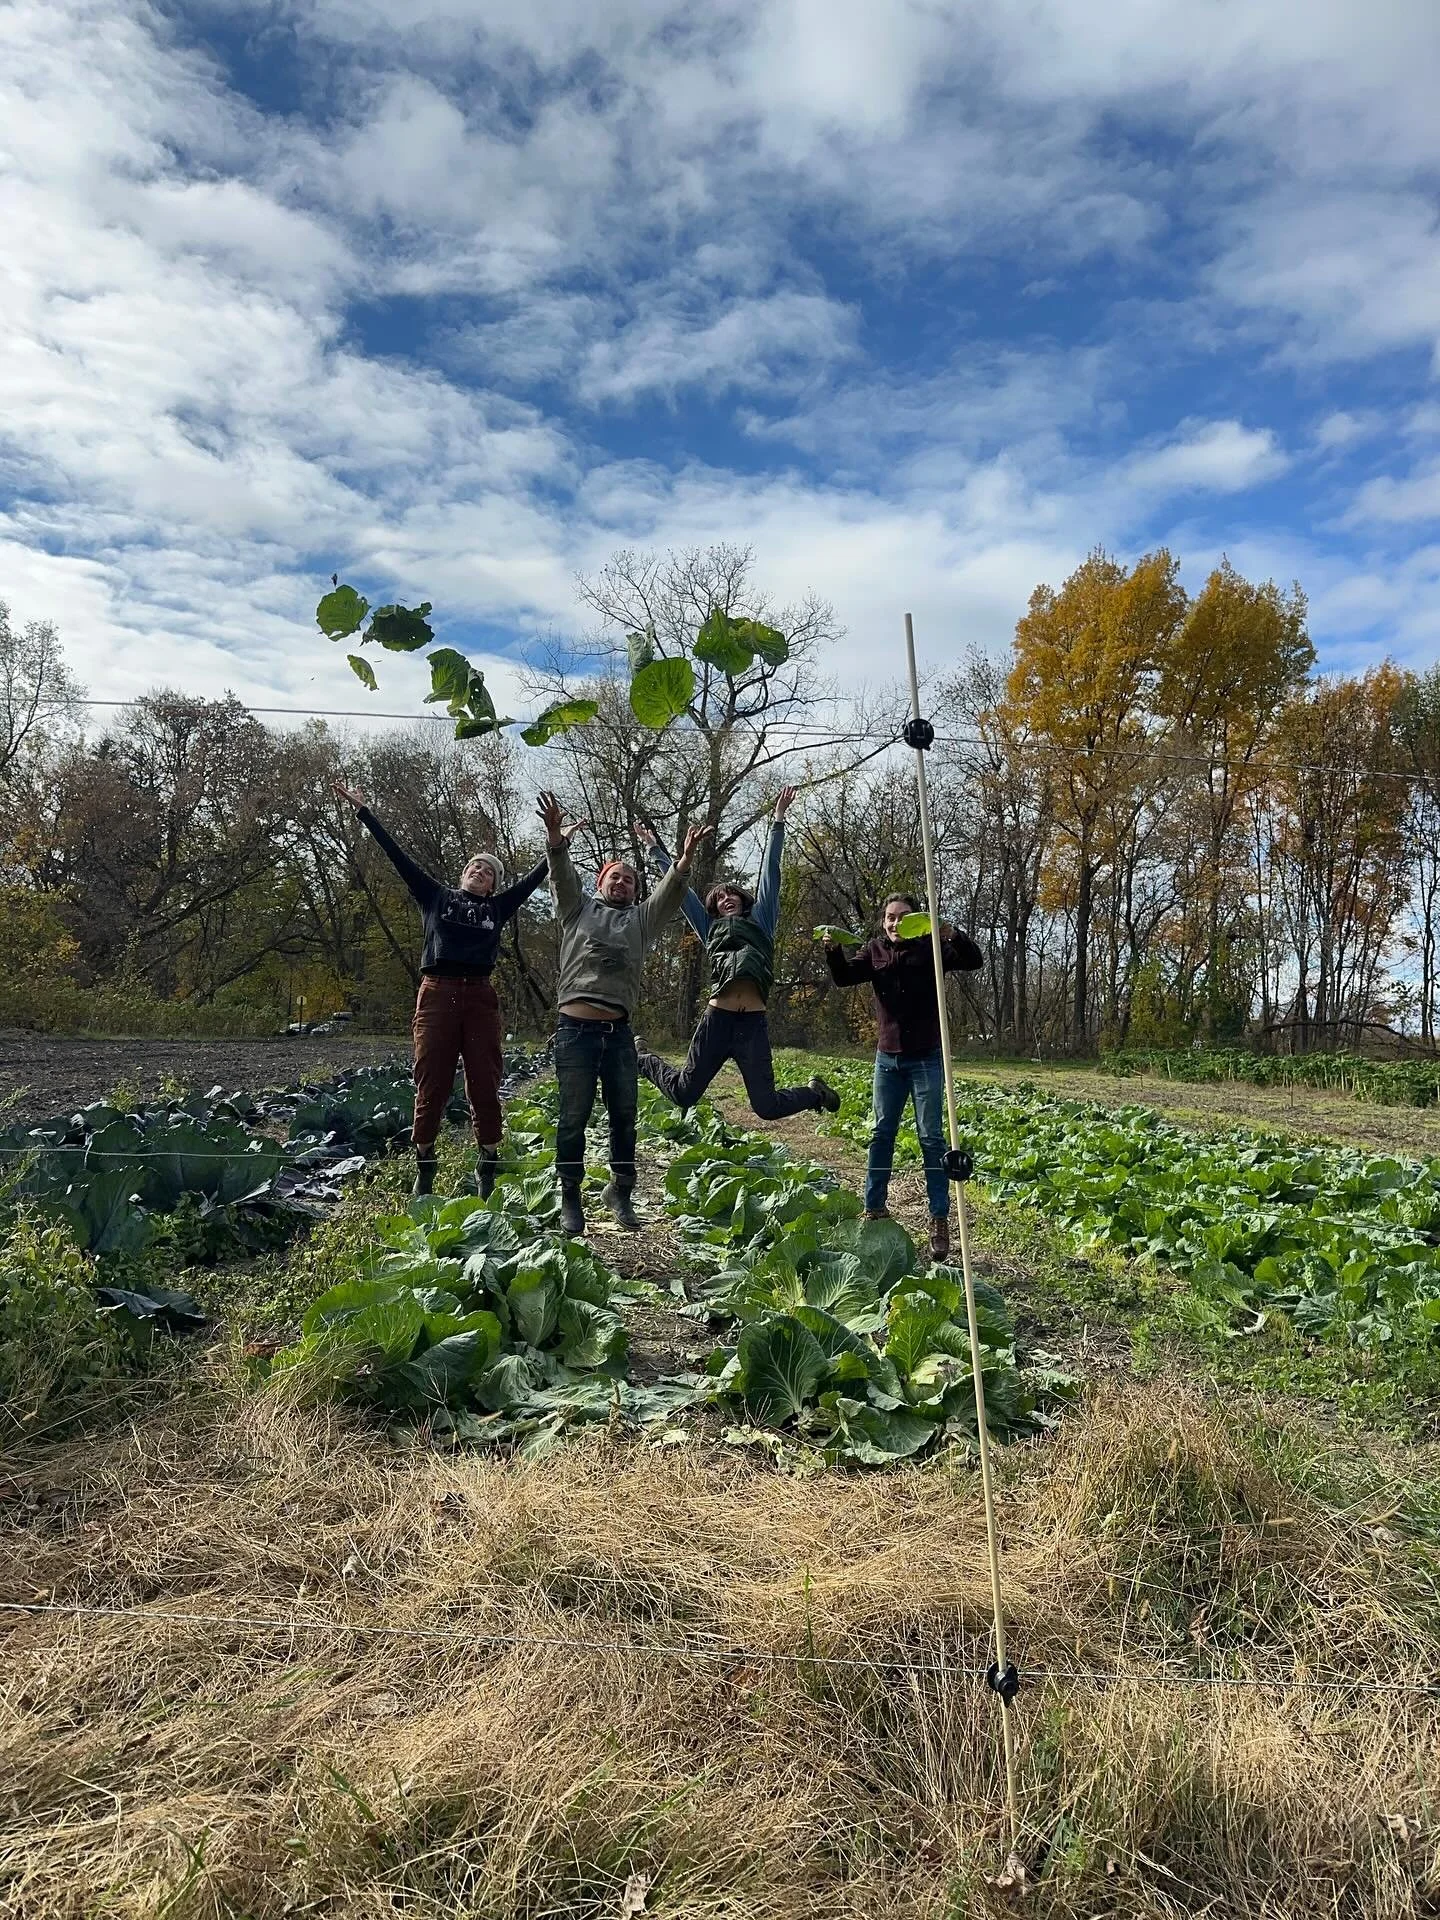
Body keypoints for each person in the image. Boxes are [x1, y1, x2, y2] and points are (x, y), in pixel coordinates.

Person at [334, 783, 549, 1197]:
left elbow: (535, 878)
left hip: (480, 998)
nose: (479, 871)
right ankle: (425, 1163)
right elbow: (397, 856)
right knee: (431, 1081)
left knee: (485, 1082)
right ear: (463, 874)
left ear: (492, 885)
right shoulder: (436, 896)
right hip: (436, 994)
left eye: (488, 871)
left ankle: (487, 1160)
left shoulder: (497, 909)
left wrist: (556, 844)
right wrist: (365, 813)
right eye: (474, 865)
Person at [540, 789, 711, 1237]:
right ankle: (571, 1197)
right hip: (574, 1030)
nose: (622, 884)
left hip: (618, 1033)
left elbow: (670, 894)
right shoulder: (576, 910)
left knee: (624, 1114)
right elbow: (561, 877)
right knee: (573, 1115)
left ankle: (622, 1190)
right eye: (615, 877)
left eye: (630, 880)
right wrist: (556, 840)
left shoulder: (640, 920)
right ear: (600, 883)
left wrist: (684, 860)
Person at [634, 785, 840, 1121]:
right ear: (712, 908)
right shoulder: (708, 927)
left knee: (767, 1107)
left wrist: (777, 821)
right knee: (684, 1094)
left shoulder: (761, 921)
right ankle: (643, 1060)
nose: (725, 898)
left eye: (731, 894)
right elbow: (678, 889)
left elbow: (770, 873)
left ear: (743, 899)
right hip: (718, 1021)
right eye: (718, 898)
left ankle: (814, 1093)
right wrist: (655, 848)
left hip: (752, 1025)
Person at [823, 895, 982, 1262]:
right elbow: (844, 978)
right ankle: (874, 1208)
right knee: (882, 1133)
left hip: (926, 1057)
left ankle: (939, 1218)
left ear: (916, 921)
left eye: (903, 917)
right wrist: (833, 952)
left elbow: (974, 961)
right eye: (889, 918)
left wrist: (951, 934)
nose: (895, 923)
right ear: (883, 923)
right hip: (887, 1059)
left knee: (931, 1137)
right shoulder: (874, 951)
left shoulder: (932, 949)